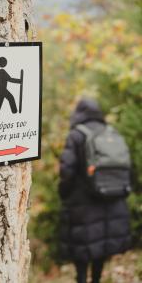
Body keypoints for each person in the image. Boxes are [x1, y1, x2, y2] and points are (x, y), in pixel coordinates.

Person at [58, 98, 131, 283]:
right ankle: (97, 279)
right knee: (101, 247)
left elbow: (67, 171)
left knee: (82, 251)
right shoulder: (110, 132)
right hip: (111, 198)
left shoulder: (76, 135)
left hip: (82, 204)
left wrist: (64, 193)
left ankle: (82, 279)